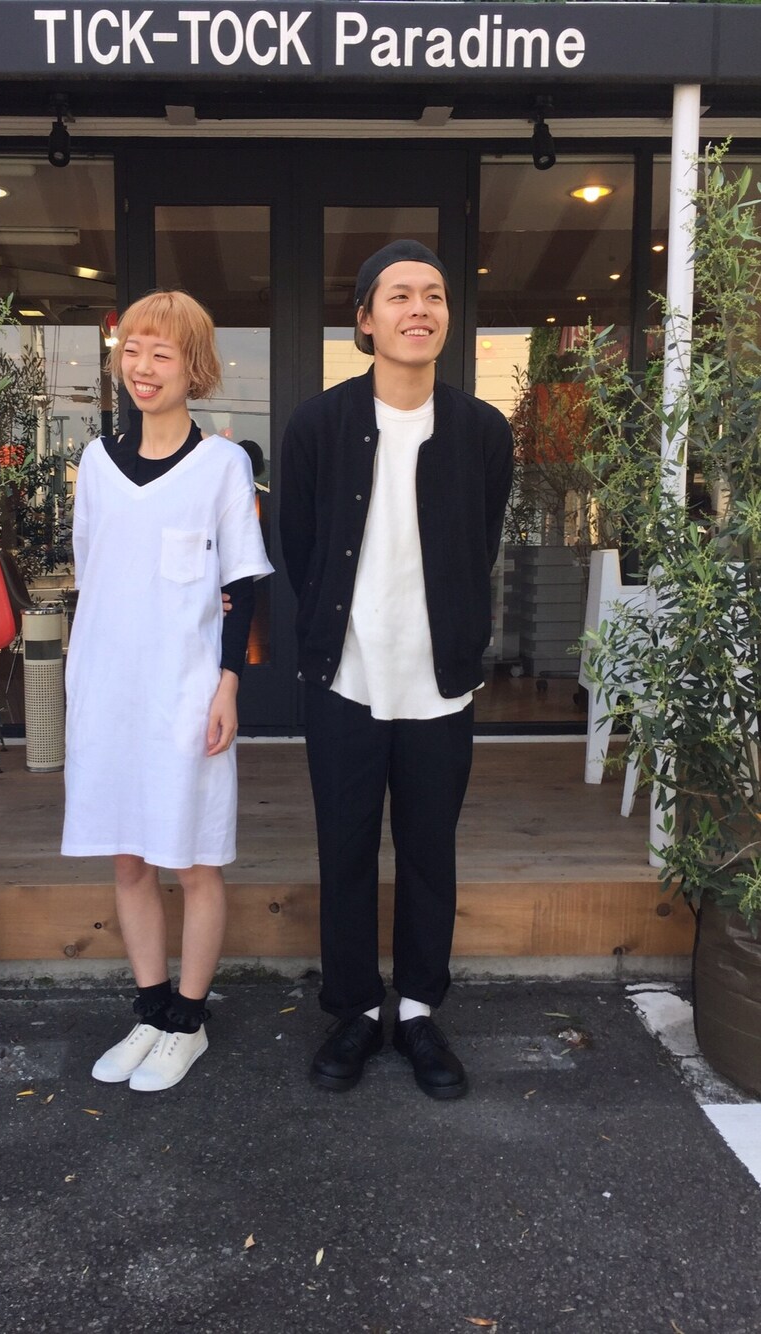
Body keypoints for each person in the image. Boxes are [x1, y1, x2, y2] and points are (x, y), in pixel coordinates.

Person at [279, 240, 513, 1099]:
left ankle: (416, 1010)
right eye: (401, 295)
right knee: (343, 848)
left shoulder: (483, 431)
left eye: (435, 295)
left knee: (427, 852)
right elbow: (299, 544)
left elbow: (481, 540)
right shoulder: (318, 424)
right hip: (345, 677)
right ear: (366, 320)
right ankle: (353, 1009)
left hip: (438, 681)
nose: (420, 309)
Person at [62, 290, 273, 1092]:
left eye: (163, 353)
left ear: (195, 368)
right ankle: (150, 1011)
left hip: (187, 690)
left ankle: (189, 1020)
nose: (143, 367)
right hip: (109, 687)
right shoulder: (95, 465)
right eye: (133, 350)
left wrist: (228, 684)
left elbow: (242, 583)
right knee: (128, 858)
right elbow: (95, 575)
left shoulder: (222, 465)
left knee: (195, 859)